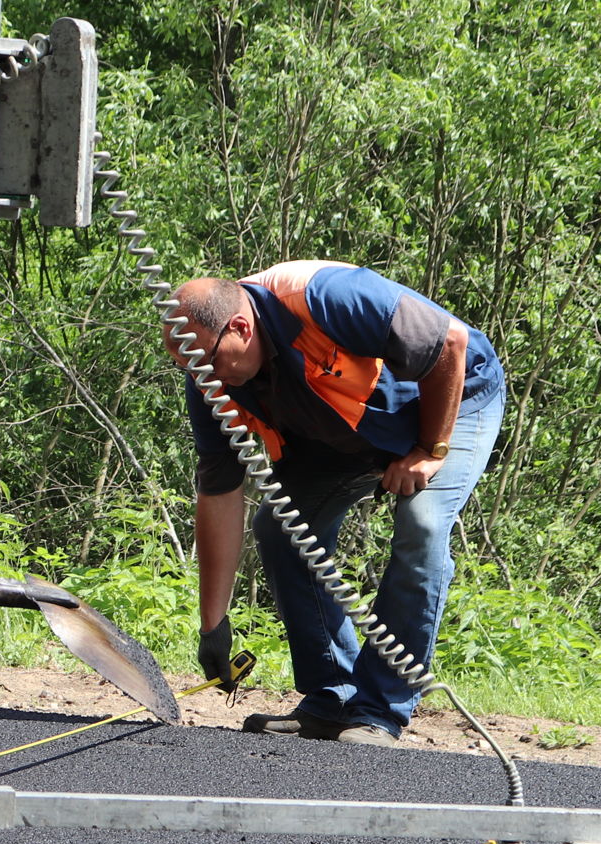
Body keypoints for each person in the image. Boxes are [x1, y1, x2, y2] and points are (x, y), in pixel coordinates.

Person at [170, 261, 505, 744]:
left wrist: (429, 449)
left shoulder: (325, 297)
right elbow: (219, 495)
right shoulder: (208, 377)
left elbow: (449, 342)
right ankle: (333, 698)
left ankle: (381, 710)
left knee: (424, 526)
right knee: (281, 528)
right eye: (184, 367)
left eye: (204, 364)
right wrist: (212, 626)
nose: (200, 379)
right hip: (345, 432)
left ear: (240, 329)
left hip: (454, 396)